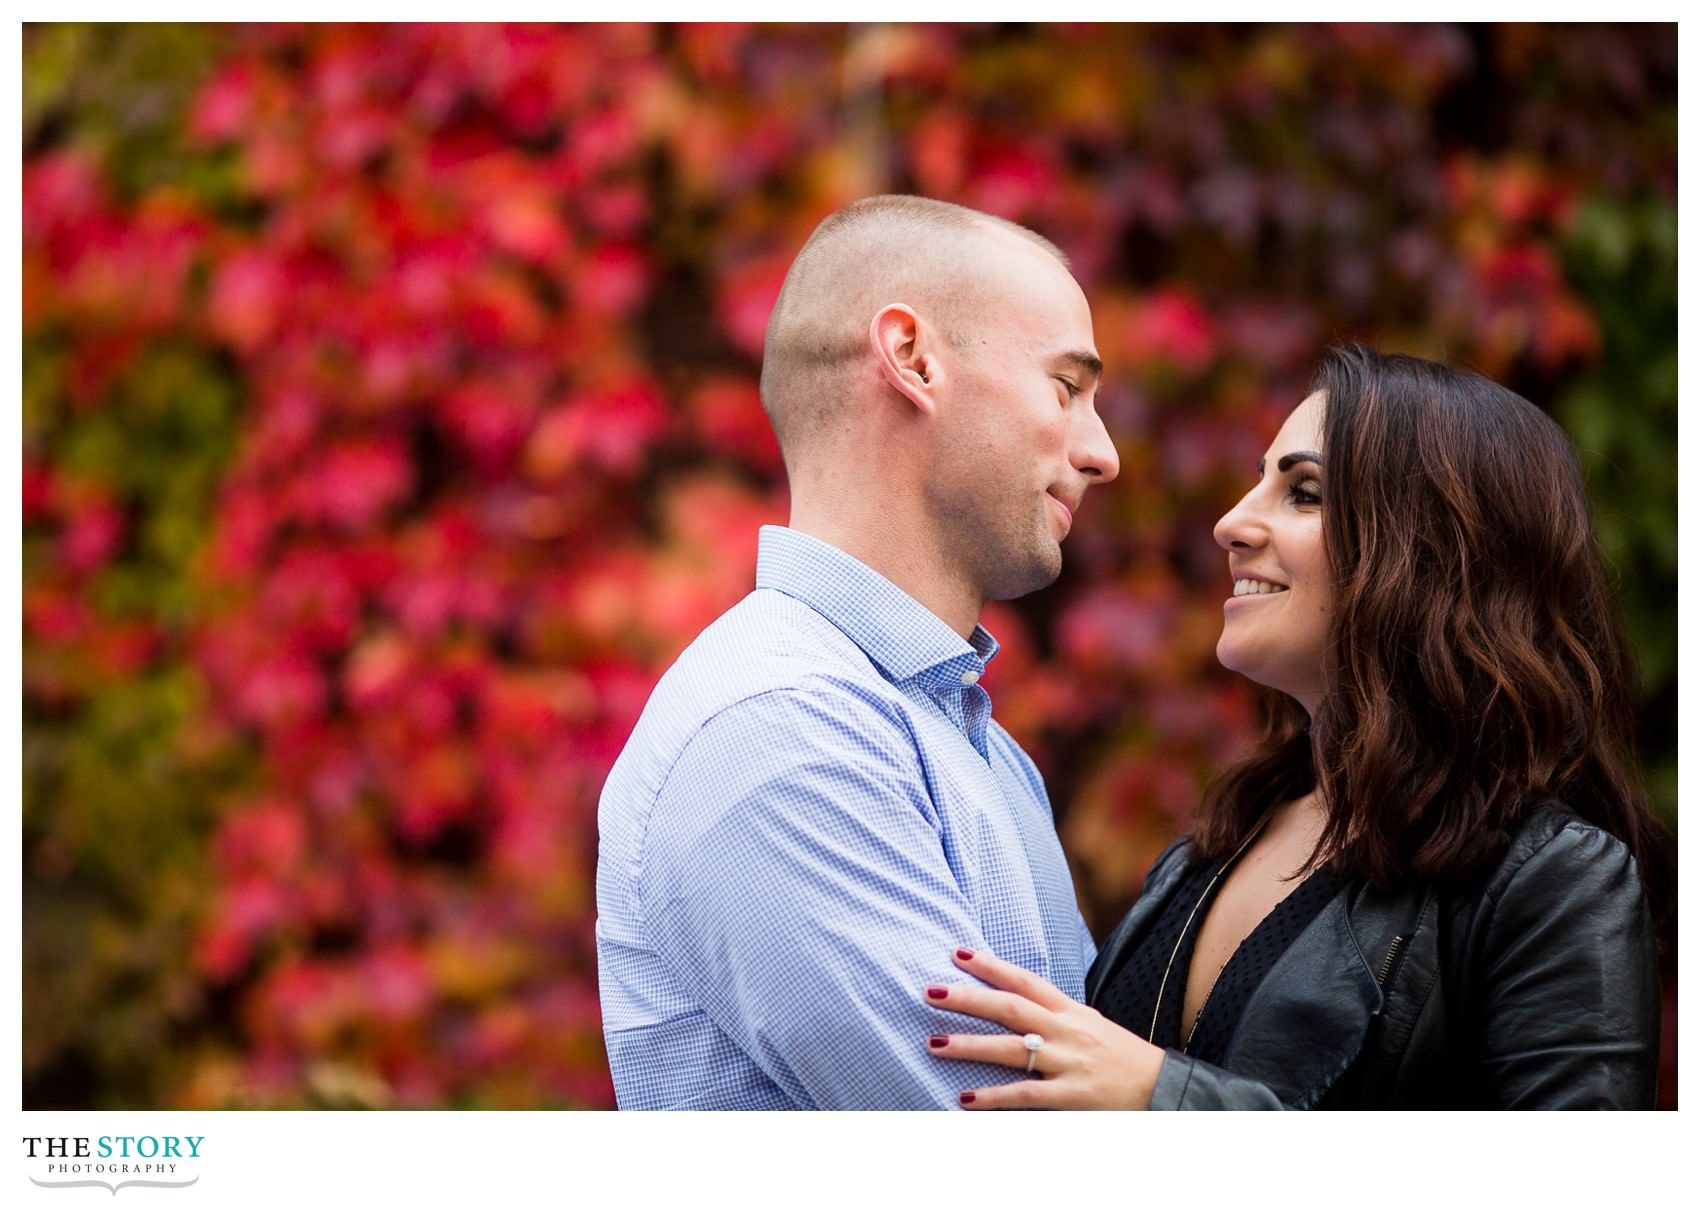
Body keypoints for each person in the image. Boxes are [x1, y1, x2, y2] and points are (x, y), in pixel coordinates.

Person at [922, 345, 1665, 1109]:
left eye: (1304, 493)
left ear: (1435, 552)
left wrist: (1167, 1101)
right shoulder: (1207, 849)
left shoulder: (1553, 883)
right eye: (1259, 480)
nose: (1231, 523)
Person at [595, 195, 1120, 1108]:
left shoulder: (982, 750)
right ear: (913, 360)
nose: (1103, 452)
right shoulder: (781, 733)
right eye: (1066, 388)